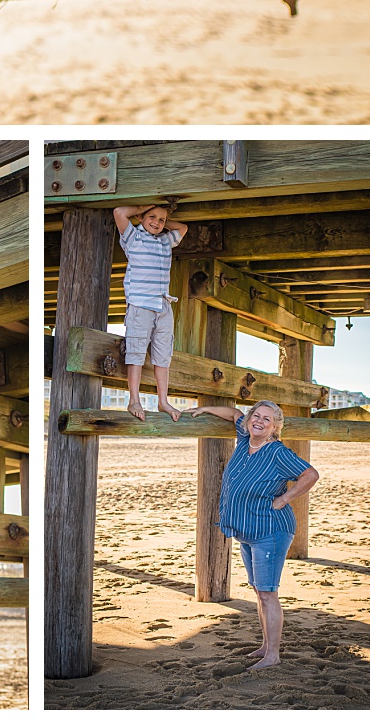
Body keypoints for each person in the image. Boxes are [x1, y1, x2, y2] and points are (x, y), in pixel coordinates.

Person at [187, 399, 320, 671]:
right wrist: (206, 409)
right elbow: (235, 413)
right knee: (260, 591)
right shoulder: (245, 436)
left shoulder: (277, 453)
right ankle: (265, 646)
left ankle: (273, 655)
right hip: (248, 530)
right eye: (256, 416)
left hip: (269, 531)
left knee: (268, 593)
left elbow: (310, 474)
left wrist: (284, 498)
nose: (258, 421)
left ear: (275, 428)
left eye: (266, 419)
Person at [113, 203, 188, 420]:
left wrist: (163, 219)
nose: (156, 222)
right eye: (152, 218)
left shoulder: (165, 241)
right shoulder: (133, 237)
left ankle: (163, 401)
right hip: (140, 304)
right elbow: (119, 212)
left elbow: (183, 228)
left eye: (161, 220)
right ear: (141, 218)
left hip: (163, 305)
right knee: (136, 354)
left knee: (163, 357)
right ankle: (134, 400)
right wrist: (143, 209)